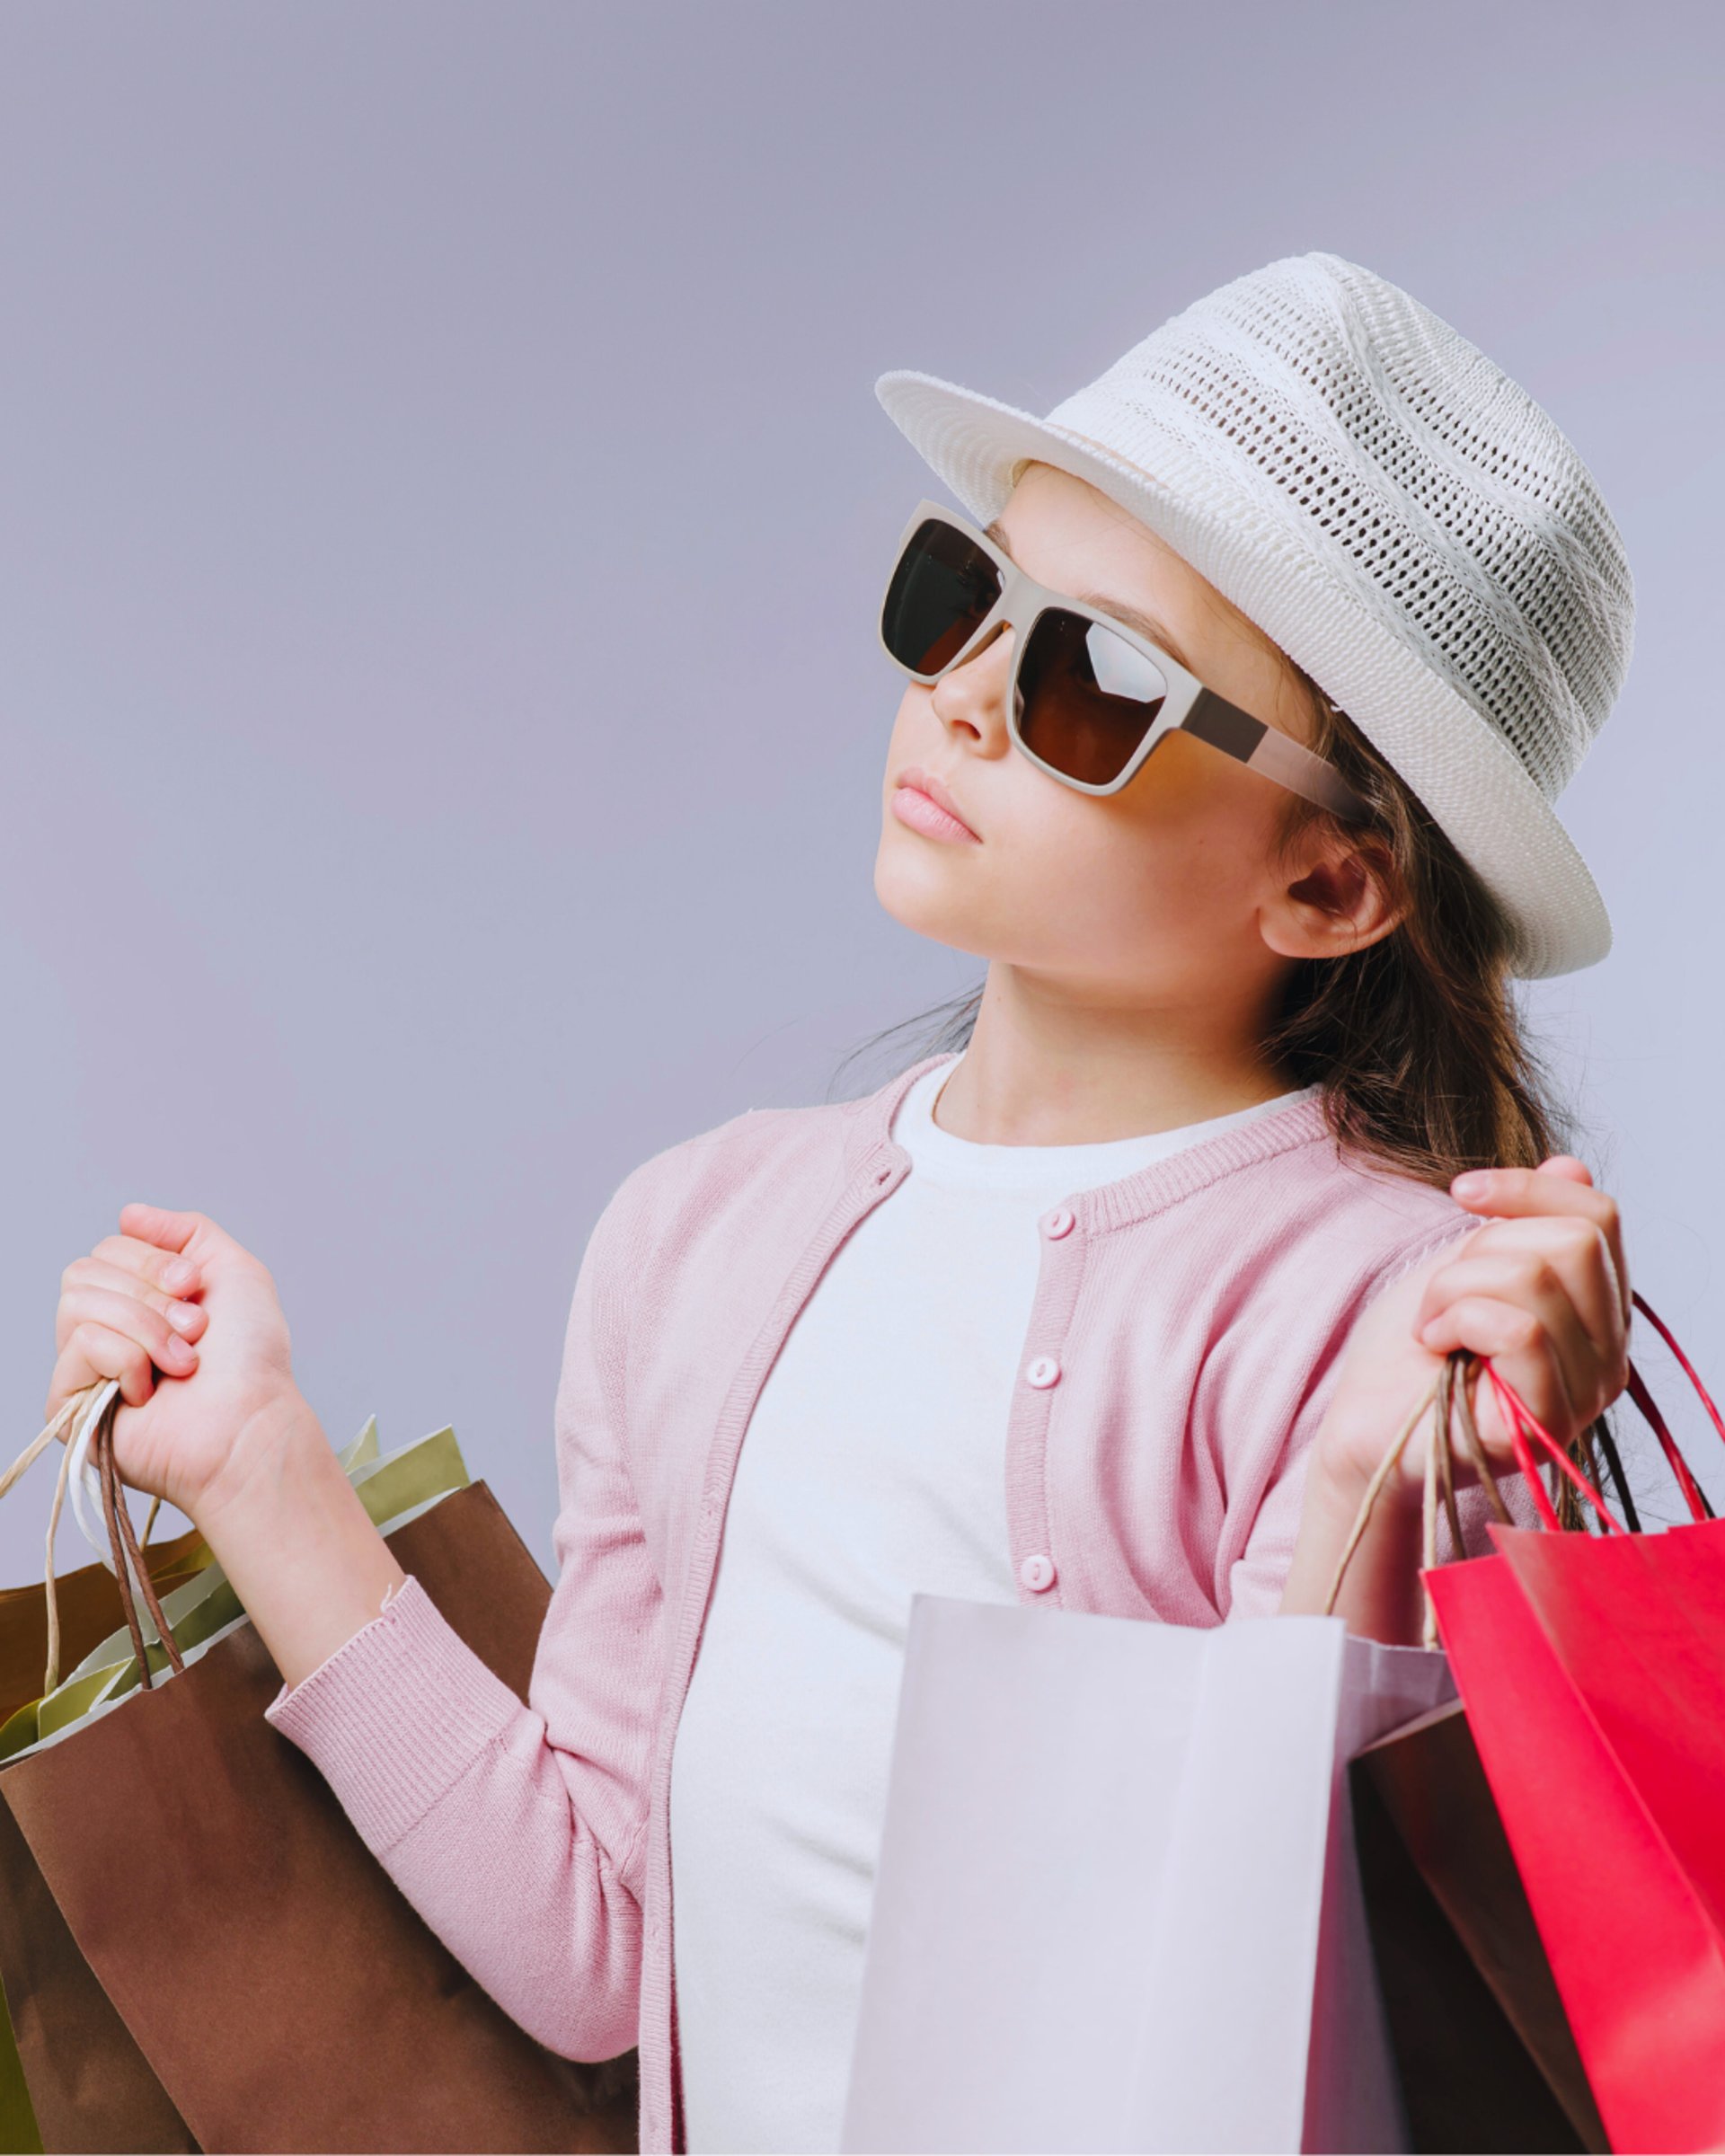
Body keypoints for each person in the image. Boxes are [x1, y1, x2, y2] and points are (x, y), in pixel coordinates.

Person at [41, 252, 1635, 2155]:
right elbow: (600, 1954)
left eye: (1091, 679)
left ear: (1330, 887)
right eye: (969, 598)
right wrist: (263, 1481)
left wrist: (1383, 1484)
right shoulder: (697, 1240)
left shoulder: (1378, 1309)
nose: (962, 697)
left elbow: (1295, 2031)